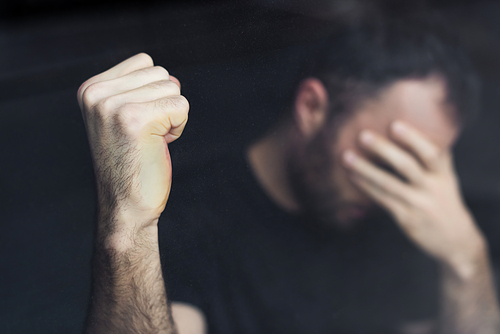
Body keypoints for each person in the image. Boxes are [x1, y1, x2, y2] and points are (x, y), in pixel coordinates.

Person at [78, 17, 500, 334]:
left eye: (422, 168)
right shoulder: (186, 217)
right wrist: (130, 227)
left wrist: (467, 257)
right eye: (389, 159)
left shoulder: (400, 216)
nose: (400, 186)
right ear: (313, 108)